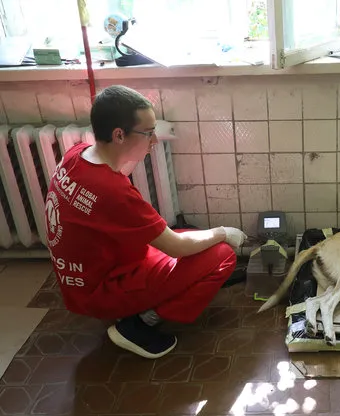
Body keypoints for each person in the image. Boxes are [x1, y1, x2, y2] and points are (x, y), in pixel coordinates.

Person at [43, 85, 247, 359]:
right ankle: (138, 324)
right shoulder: (113, 192)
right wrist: (224, 232)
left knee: (193, 237)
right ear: (119, 135)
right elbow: (176, 247)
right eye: (148, 133)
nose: (154, 142)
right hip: (103, 291)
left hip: (81, 281)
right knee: (220, 254)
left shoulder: (75, 155)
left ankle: (138, 309)